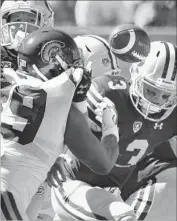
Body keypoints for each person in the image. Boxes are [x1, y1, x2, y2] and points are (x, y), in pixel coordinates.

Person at [1, 27, 120, 220]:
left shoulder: (13, 86)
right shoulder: (61, 107)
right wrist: (110, 127)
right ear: (54, 62)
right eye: (72, 62)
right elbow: (103, 163)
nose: (77, 68)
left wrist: (55, 154)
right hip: (6, 196)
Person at [49, 41, 177, 220]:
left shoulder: (171, 117)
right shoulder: (109, 93)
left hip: (108, 194)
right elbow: (57, 119)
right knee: (123, 216)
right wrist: (53, 157)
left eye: (165, 96)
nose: (155, 102)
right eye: (151, 91)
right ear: (136, 75)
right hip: (72, 184)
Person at [0, 0, 54, 103]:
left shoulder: (50, 57)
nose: (21, 25)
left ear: (44, 24)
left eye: (30, 20)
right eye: (17, 19)